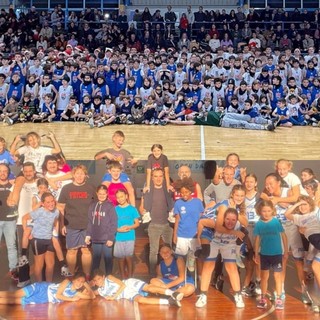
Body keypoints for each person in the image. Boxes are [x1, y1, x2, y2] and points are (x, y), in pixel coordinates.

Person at [195, 208, 245, 309]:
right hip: (214, 242)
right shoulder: (215, 223)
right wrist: (198, 240)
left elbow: (244, 233)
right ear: (223, 218)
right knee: (208, 267)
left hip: (228, 244)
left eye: (233, 220)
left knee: (232, 268)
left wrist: (238, 252)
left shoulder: (240, 226)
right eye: (227, 219)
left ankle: (238, 295)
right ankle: (203, 295)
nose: (230, 222)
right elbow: (201, 222)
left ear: (237, 220)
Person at [58, 165, 96, 279]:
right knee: (72, 251)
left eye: (82, 173)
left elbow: (96, 206)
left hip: (87, 226)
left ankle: (87, 276)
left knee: (86, 250)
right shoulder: (66, 189)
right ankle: (71, 276)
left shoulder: (91, 188)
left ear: (86, 175)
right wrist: (62, 224)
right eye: (77, 174)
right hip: (71, 225)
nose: (79, 176)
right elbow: (61, 208)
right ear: (73, 175)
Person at [253, 200, 288, 310]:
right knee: (264, 277)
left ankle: (278, 298)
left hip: (277, 254)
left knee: (277, 277)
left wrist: (286, 251)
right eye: (264, 211)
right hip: (264, 255)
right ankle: (263, 298)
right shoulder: (258, 224)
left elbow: (284, 236)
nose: (266, 213)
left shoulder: (276, 222)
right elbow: (257, 240)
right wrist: (256, 253)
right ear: (260, 211)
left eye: (269, 211)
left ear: (272, 211)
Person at [139, 168, 174, 276]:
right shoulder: (147, 191)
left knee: (169, 250)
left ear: (163, 178)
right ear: (152, 178)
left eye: (160, 176)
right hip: (153, 225)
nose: (158, 179)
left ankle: (169, 272)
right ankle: (153, 274)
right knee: (153, 251)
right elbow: (141, 208)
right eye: (155, 176)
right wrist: (143, 210)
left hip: (167, 225)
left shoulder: (168, 191)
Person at [92, 269, 183, 307]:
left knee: (149, 288)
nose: (97, 282)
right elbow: (91, 295)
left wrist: (113, 297)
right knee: (141, 300)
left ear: (103, 277)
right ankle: (169, 302)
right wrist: (87, 284)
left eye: (99, 279)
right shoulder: (100, 291)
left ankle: (173, 293)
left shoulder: (109, 278)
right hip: (127, 294)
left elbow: (122, 285)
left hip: (129, 284)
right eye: (95, 281)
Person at [22, 192, 59, 282]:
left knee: (51, 264)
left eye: (52, 201)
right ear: (42, 203)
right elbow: (24, 218)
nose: (51, 204)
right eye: (48, 202)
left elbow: (56, 221)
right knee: (39, 265)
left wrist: (56, 233)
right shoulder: (39, 211)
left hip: (49, 239)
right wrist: (27, 233)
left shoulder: (56, 211)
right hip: (38, 240)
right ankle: (39, 286)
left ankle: (48, 285)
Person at [0, 272, 95, 305]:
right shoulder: (67, 282)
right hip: (42, 288)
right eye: (78, 280)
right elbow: (58, 295)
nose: (80, 283)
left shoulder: (76, 294)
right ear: (74, 280)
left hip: (43, 299)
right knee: (14, 295)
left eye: (82, 282)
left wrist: (86, 284)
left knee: (14, 302)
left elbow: (92, 297)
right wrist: (71, 300)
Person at [173, 177, 204, 272]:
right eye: (182, 192)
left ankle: (199, 277)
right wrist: (175, 235)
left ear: (191, 191)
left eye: (186, 192)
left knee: (197, 257)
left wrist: (199, 233)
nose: (184, 194)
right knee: (181, 258)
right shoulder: (178, 203)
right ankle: (182, 277)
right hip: (182, 234)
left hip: (194, 235)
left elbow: (201, 219)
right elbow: (177, 220)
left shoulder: (198, 202)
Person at [85, 184, 117, 276]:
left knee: (108, 259)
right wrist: (88, 235)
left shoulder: (110, 206)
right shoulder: (92, 206)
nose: (102, 196)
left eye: (104, 194)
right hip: (95, 239)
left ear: (107, 194)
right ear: (96, 193)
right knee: (96, 260)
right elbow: (90, 221)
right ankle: (95, 279)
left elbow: (113, 223)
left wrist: (111, 238)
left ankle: (109, 278)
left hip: (106, 239)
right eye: (100, 194)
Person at [114, 189, 140, 279]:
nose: (120, 199)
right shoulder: (115, 209)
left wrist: (129, 227)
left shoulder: (132, 209)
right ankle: (122, 277)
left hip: (130, 237)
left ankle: (130, 277)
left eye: (121, 196)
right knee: (121, 258)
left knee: (128, 258)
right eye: (118, 197)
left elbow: (137, 223)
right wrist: (118, 229)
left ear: (126, 196)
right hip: (119, 237)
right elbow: (111, 224)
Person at [0, 163, 18, 279]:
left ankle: (13, 270)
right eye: (0, 171)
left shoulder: (14, 185)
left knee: (11, 246)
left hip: (10, 220)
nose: (2, 173)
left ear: (8, 172)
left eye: (5, 171)